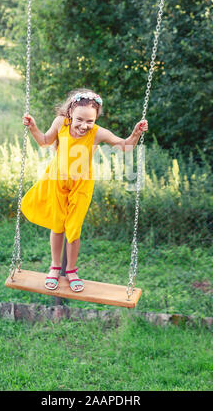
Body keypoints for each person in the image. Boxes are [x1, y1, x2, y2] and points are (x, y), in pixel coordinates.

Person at [21, 88, 148, 292]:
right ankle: (55, 267)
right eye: (80, 119)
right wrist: (33, 127)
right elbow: (44, 142)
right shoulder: (60, 123)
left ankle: (71, 270)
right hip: (57, 180)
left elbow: (125, 146)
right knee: (58, 225)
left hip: (81, 185)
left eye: (90, 121)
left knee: (74, 228)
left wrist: (135, 134)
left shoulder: (97, 132)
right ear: (70, 111)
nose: (84, 125)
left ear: (96, 118)